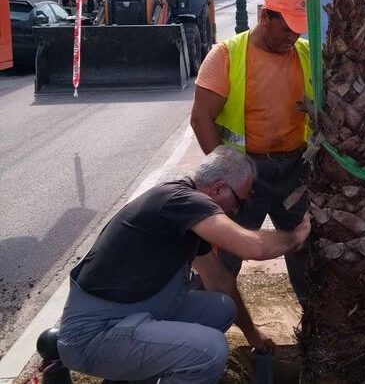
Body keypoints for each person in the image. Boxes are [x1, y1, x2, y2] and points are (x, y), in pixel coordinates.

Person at [56, 145, 311, 384]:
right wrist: (296, 237)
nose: (238, 210)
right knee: (209, 351)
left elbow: (220, 282)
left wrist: (252, 334)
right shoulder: (180, 201)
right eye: (240, 202)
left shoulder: (186, 214)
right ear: (219, 188)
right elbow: (252, 245)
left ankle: (135, 371)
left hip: (134, 313)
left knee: (222, 308)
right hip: (95, 335)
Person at [190, 0, 313, 305]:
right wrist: (226, 176)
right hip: (245, 175)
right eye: (286, 28)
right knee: (225, 255)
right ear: (264, 16)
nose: (293, 37)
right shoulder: (227, 55)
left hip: (294, 170)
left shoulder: (306, 54)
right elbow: (200, 118)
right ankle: (205, 327)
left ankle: (316, 325)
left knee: (306, 249)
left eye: (299, 30)